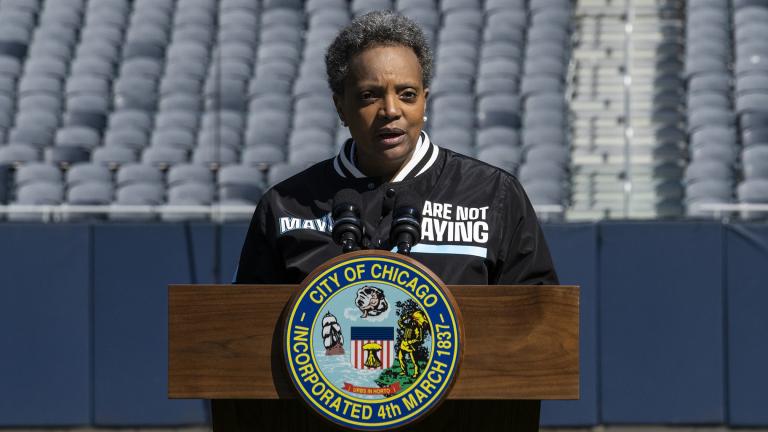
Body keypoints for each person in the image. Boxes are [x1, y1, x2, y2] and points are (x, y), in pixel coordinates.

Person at [213, 11, 558, 432]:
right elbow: (241, 338)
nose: (390, 111)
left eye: (407, 94)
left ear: (425, 101)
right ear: (340, 105)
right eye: (369, 95)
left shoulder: (493, 195)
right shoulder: (286, 206)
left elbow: (538, 328)